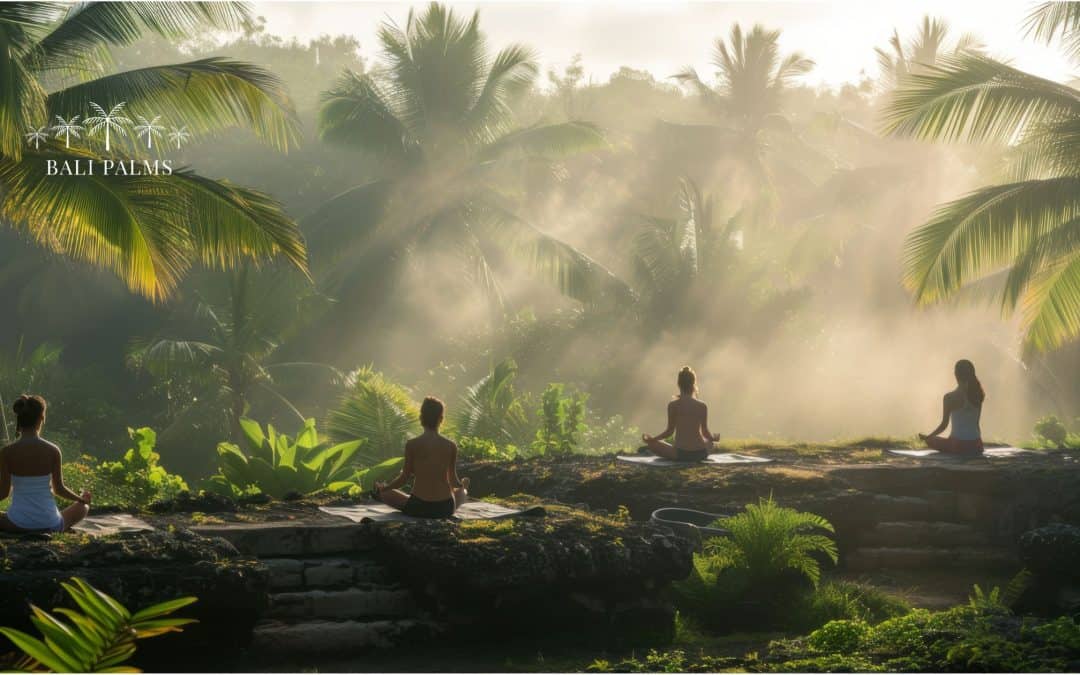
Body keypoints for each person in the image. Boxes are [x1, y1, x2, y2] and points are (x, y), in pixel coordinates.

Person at [0, 395, 91, 533]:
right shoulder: (53, 450)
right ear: (42, 418)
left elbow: (4, 493)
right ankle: (54, 526)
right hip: (50, 524)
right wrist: (81, 499)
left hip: (17, 524)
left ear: (19, 419)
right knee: (83, 508)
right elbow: (59, 489)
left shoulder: (6, 452)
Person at [374, 396, 469, 518]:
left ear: (421, 418)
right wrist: (460, 486)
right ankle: (464, 488)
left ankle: (383, 490)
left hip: (418, 507)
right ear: (441, 419)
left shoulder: (412, 445)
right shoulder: (451, 446)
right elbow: (452, 479)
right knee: (462, 493)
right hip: (445, 508)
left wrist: (385, 488)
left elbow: (404, 478)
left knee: (386, 494)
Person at [641, 366, 718, 462]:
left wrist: (652, 440)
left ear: (679, 384)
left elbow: (669, 431)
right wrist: (713, 438)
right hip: (700, 453)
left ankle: (656, 445)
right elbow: (705, 432)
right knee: (710, 443)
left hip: (680, 454)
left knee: (653, 445)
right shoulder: (702, 405)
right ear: (693, 384)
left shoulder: (673, 405)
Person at [919, 359, 985, 455]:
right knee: (940, 440)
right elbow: (977, 424)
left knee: (928, 440)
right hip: (977, 445)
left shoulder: (949, 397)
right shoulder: (978, 395)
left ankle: (927, 438)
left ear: (955, 374)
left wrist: (929, 437)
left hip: (958, 446)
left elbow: (944, 425)